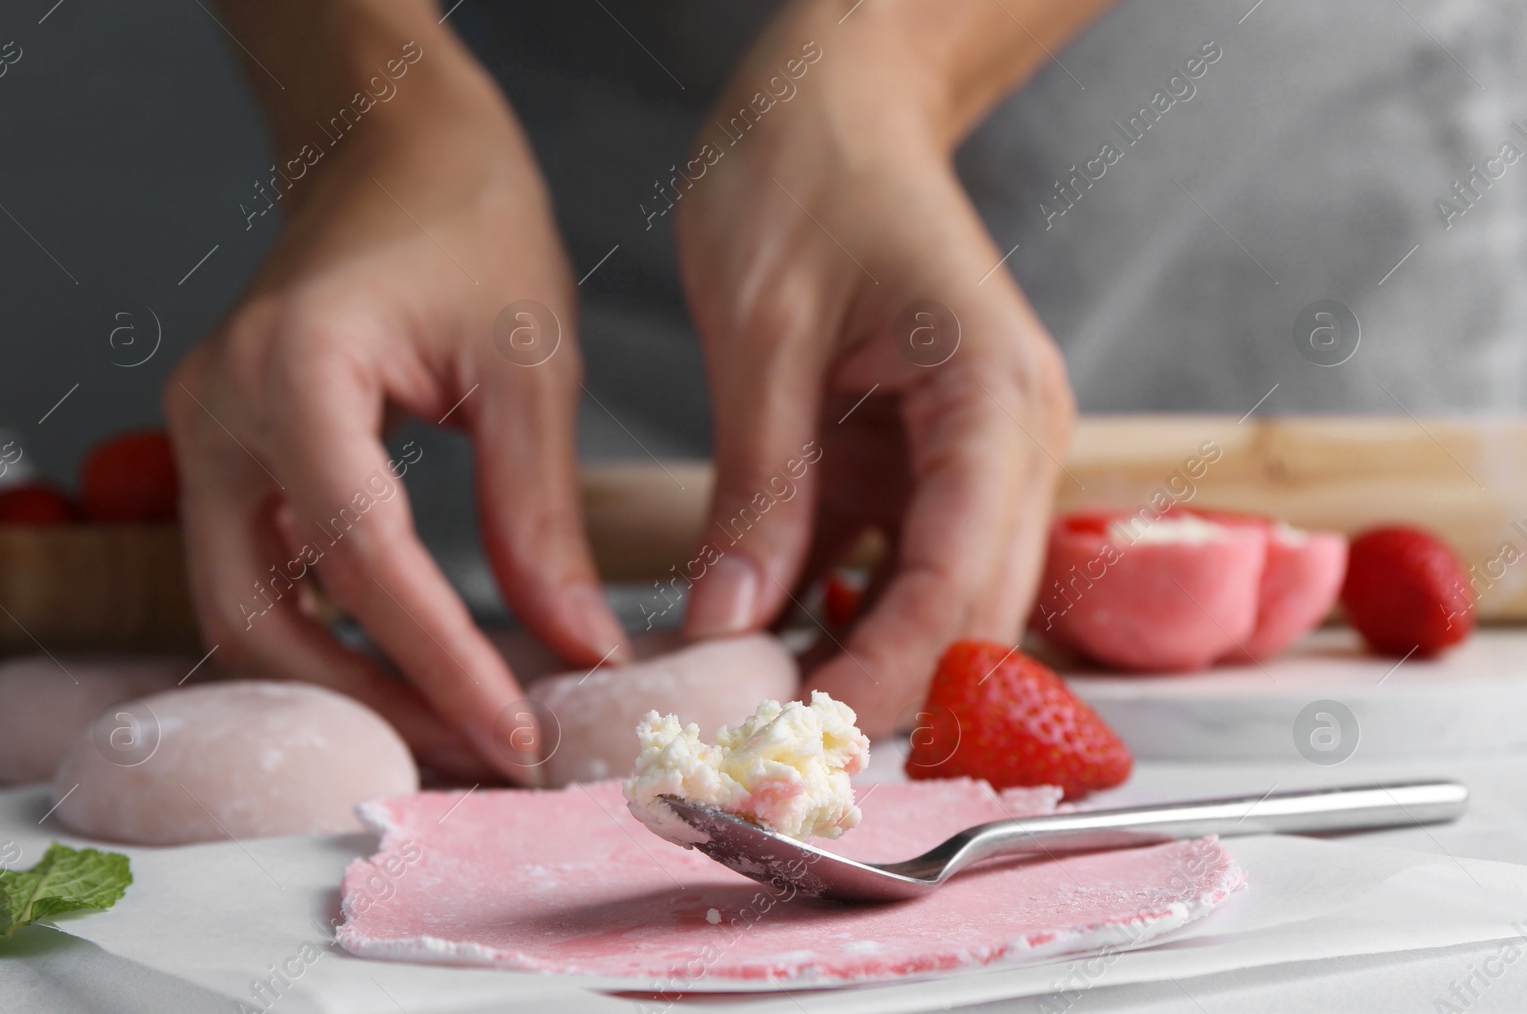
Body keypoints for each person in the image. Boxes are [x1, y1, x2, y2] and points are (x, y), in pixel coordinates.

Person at [162, 0, 1128, 783]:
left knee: (974, 517)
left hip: (1068, 189)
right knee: (411, 590)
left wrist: (900, 61)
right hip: (443, 302)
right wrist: (374, 113)